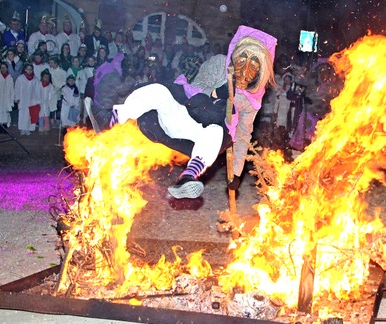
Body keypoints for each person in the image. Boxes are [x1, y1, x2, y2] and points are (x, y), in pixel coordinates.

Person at [114, 25, 276, 199]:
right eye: (243, 60)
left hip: (201, 139)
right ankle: (114, 119)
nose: (246, 69)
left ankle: (188, 177)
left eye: (254, 64)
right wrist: (216, 93)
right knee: (160, 91)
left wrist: (236, 172)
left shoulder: (252, 99)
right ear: (235, 58)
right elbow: (195, 88)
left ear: (261, 71)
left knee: (218, 132)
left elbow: (243, 134)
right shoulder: (219, 64)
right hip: (185, 116)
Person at [14, 63, 42, 136]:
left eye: (31, 69)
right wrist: (17, 98)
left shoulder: (35, 79)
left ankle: (29, 128)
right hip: (23, 99)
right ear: (25, 69)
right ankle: (23, 129)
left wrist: (38, 100)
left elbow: (38, 90)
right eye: (28, 69)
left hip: (32, 100)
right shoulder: (20, 78)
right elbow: (17, 88)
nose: (29, 71)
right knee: (23, 114)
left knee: (30, 114)